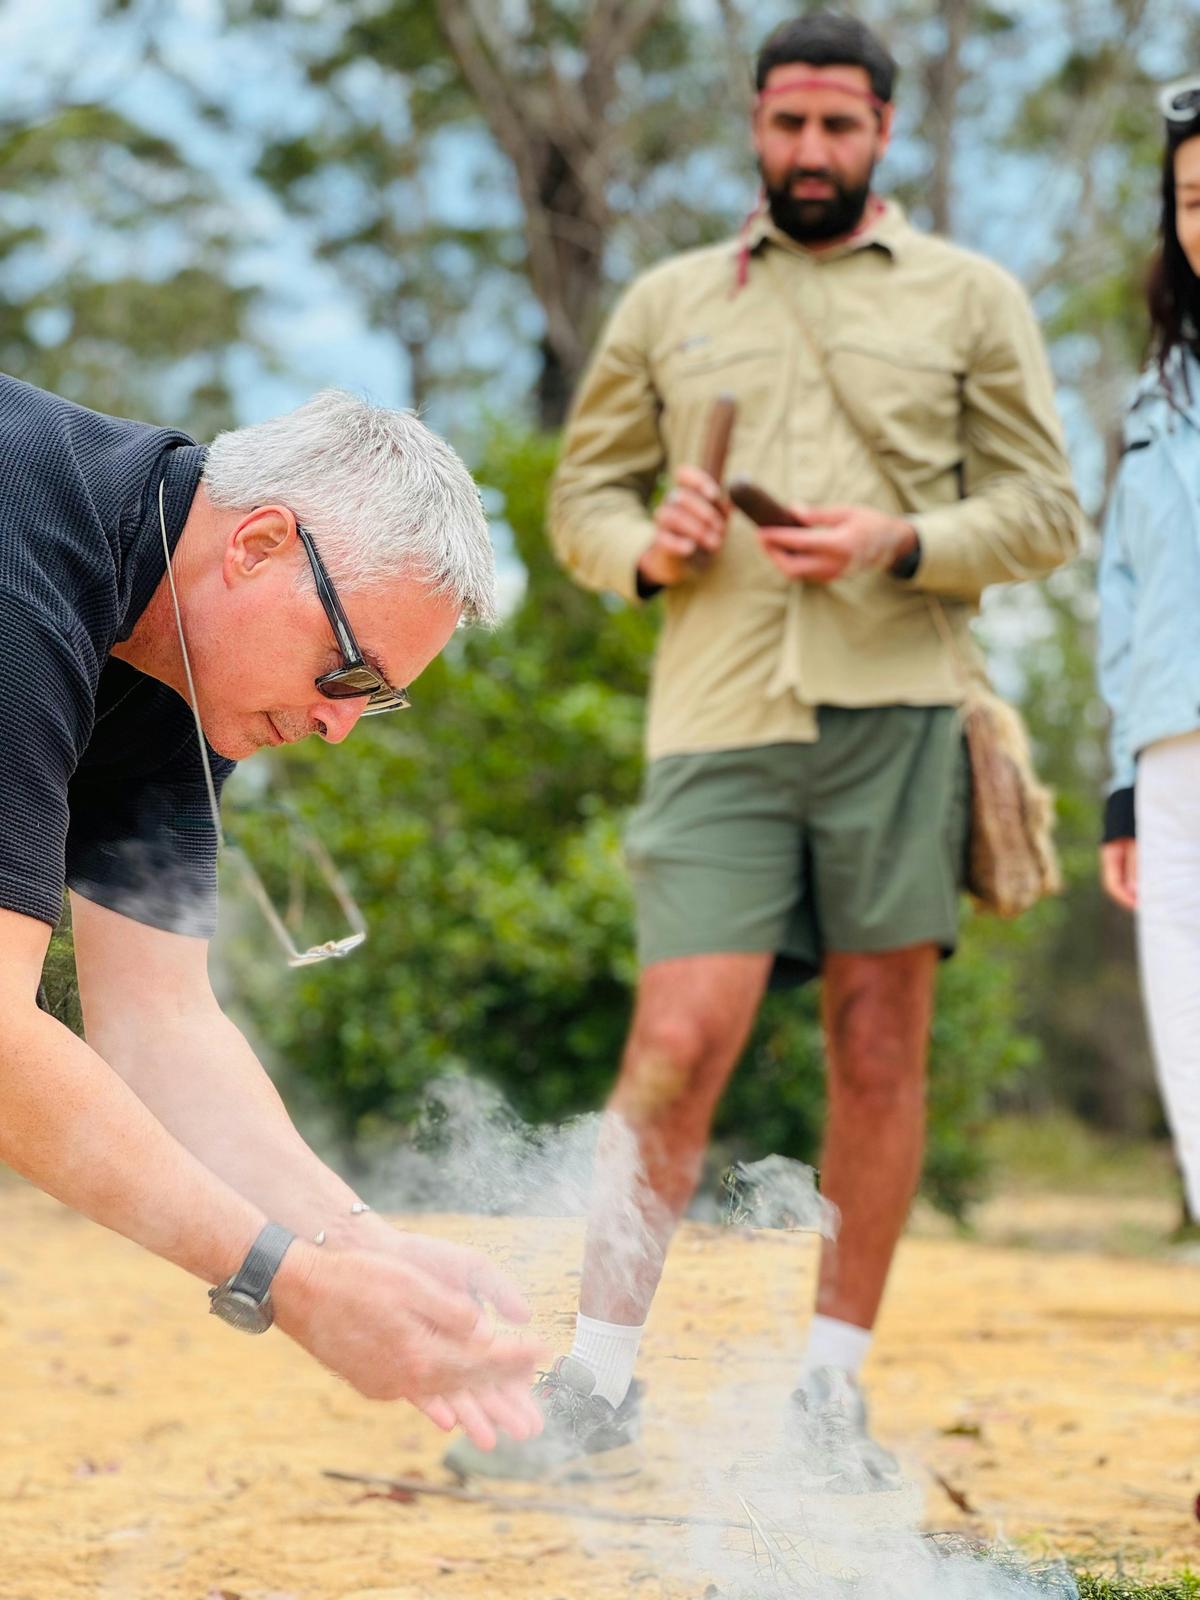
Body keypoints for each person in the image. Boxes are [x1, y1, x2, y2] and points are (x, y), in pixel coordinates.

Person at [447, 11, 1083, 1482]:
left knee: (879, 1049)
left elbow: (1045, 509)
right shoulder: (668, 303)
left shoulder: (973, 297)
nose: (810, 149)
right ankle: (597, 1385)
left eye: (839, 125)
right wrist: (648, 545)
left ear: (883, 132)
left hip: (901, 715)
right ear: (754, 124)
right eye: (787, 123)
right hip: (716, 724)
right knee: (673, 1047)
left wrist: (900, 539)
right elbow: (581, 502)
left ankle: (828, 1403)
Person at [0, 374, 544, 1452]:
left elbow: (158, 1021)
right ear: (259, 545)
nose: (341, 727)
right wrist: (283, 1281)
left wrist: (356, 1243)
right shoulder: (26, 583)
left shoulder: (179, 657)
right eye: (349, 672)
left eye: (377, 697)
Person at [1098, 78, 1200, 1228]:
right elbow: (1122, 594)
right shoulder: (1154, 395)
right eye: (1195, 198)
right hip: (1173, 759)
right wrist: (1125, 783)